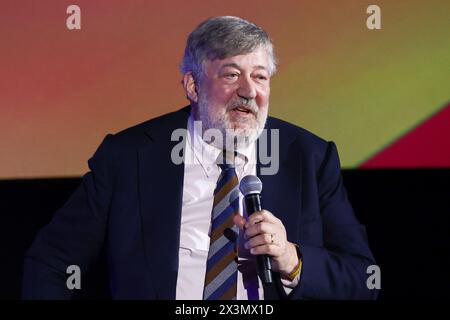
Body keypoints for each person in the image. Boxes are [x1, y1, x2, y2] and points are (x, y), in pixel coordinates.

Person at [22, 16, 378, 300]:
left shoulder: (310, 157)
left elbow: (363, 279)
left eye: (260, 77)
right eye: (231, 74)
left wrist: (291, 259)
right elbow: (51, 263)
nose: (248, 91)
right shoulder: (129, 157)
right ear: (193, 86)